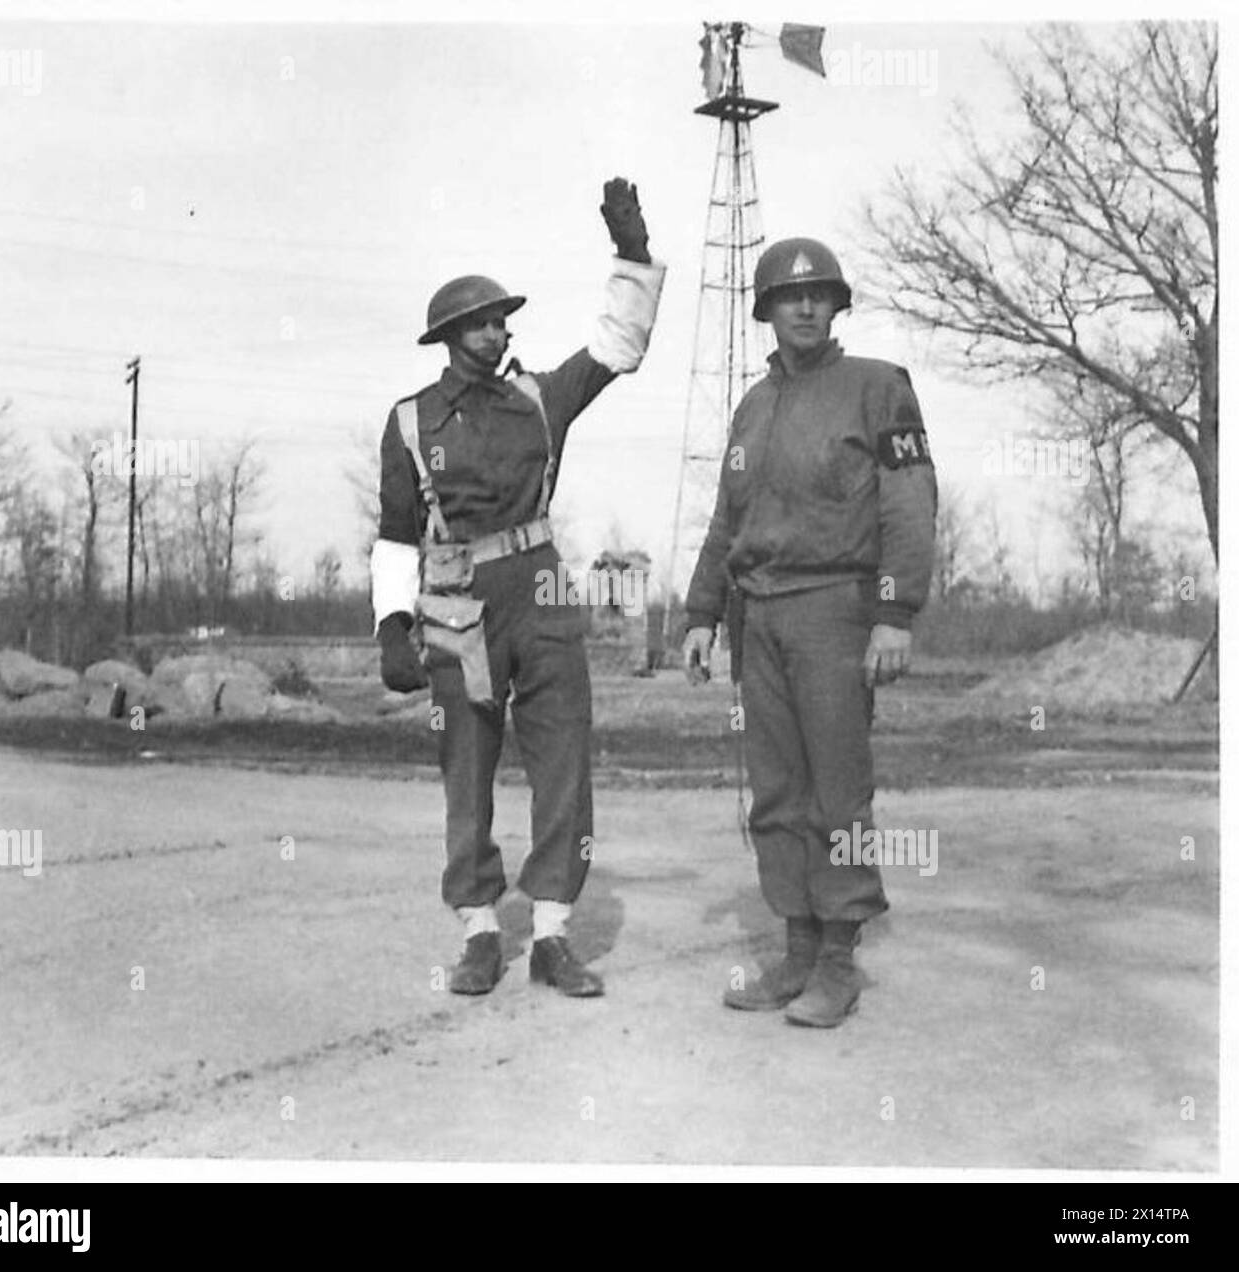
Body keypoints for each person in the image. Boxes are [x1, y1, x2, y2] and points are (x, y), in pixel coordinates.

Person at [369, 179, 665, 998]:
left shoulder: (541, 398)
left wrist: (633, 258)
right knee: (466, 765)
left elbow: (619, 348)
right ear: (454, 336)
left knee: (563, 758)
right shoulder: (408, 421)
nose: (502, 329)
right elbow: (396, 534)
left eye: (505, 318)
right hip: (457, 604)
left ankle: (553, 936)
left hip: (540, 592)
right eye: (488, 319)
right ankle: (477, 932)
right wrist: (392, 625)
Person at [682, 237, 936, 1027]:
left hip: (837, 608)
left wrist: (894, 614)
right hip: (758, 614)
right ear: (765, 311)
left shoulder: (878, 389)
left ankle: (837, 961)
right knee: (778, 791)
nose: (803, 306)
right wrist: (698, 613)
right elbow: (729, 519)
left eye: (818, 295)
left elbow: (909, 502)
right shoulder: (752, 407)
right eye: (788, 297)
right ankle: (794, 952)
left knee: (836, 790)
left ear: (836, 307)